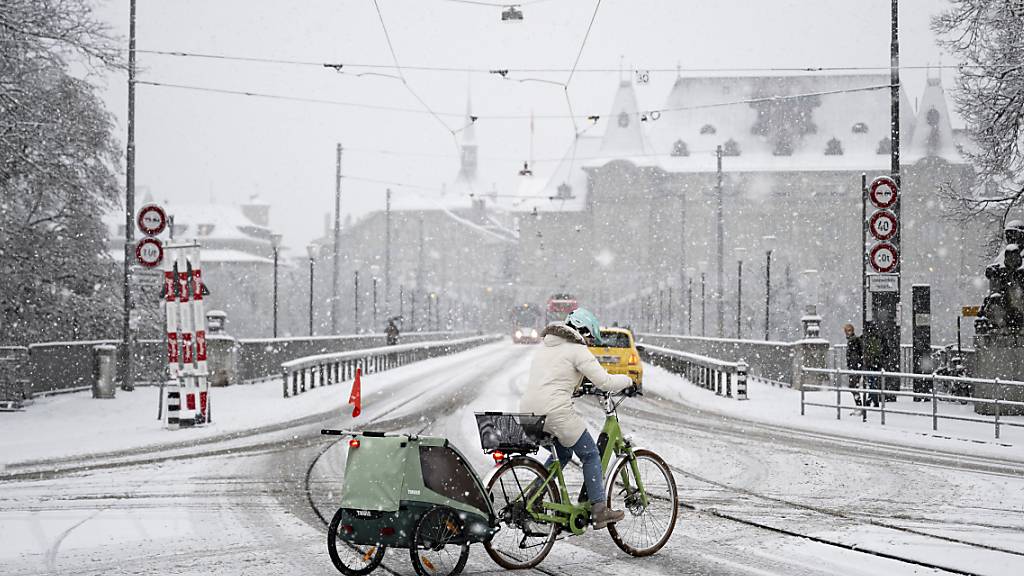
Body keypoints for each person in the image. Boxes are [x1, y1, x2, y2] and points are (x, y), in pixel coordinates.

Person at [520, 308, 635, 529]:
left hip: (528, 413)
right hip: (555, 411)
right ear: (581, 330)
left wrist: (578, 387)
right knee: (590, 455)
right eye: (590, 336)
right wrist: (629, 382)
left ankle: (534, 497)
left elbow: (554, 377)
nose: (590, 342)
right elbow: (606, 383)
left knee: (562, 453)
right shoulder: (577, 349)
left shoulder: (546, 346)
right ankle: (600, 511)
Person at [843, 323, 863, 411]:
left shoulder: (854, 340)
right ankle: (859, 406)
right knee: (854, 386)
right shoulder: (853, 340)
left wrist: (855, 364)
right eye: (846, 331)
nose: (848, 332)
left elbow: (855, 354)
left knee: (853, 386)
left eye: (849, 330)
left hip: (855, 367)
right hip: (854, 366)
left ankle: (860, 406)